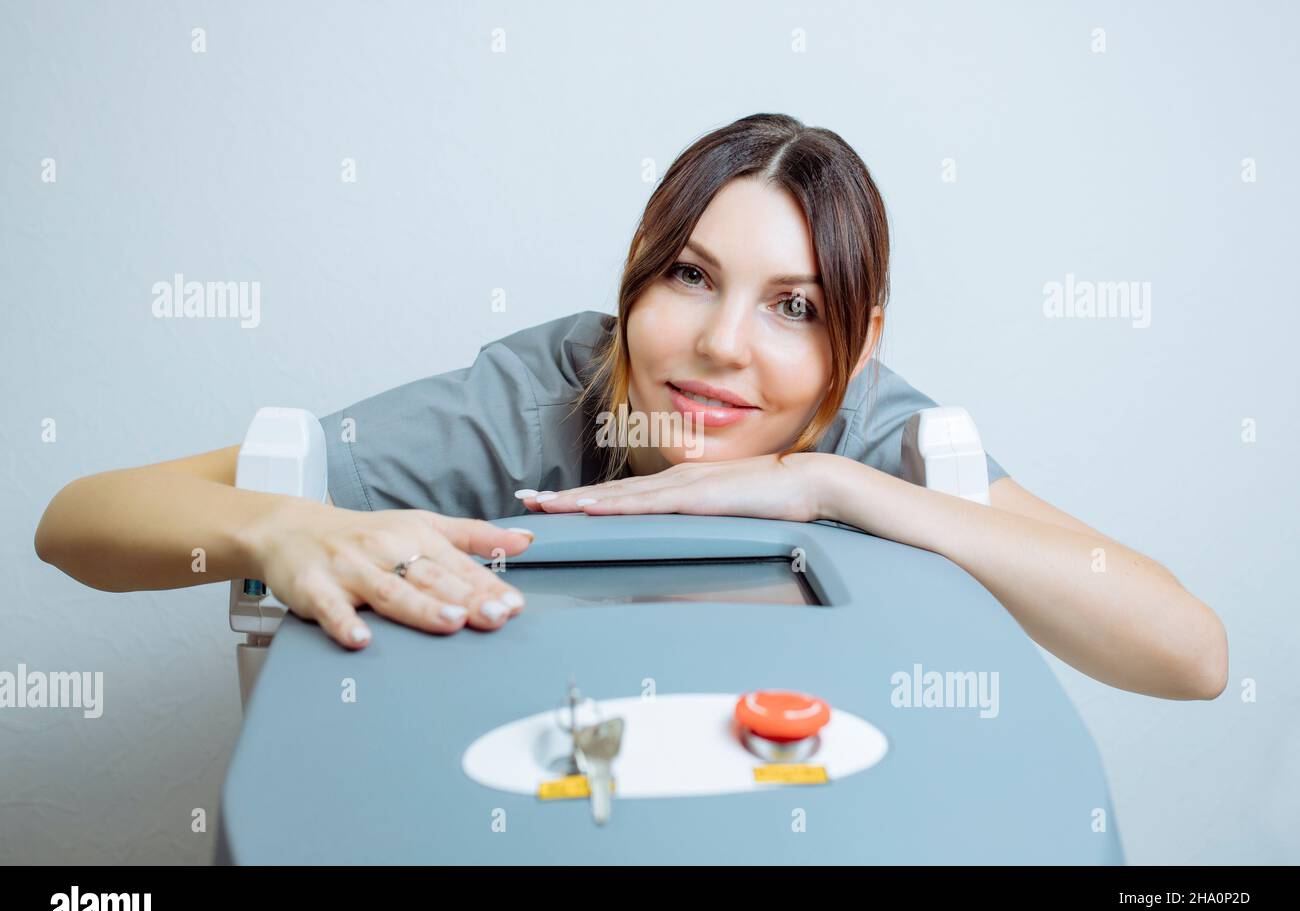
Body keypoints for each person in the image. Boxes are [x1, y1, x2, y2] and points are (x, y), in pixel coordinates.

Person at [33, 112, 1227, 700]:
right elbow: (77, 521)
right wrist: (271, 527)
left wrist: (832, 486)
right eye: (691, 277)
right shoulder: (535, 405)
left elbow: (1191, 654)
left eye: (793, 307)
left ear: (856, 346)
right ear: (636, 276)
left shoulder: (865, 427)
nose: (720, 345)